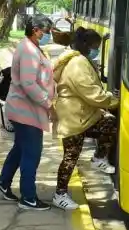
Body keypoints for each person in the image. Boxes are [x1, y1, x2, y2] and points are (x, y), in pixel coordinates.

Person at [0, 14, 55, 210]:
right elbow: (28, 83)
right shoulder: (28, 50)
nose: (49, 35)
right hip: (26, 110)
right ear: (36, 30)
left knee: (20, 148)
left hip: (26, 108)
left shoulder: (31, 46)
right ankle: (28, 197)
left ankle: (3, 183)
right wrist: (47, 102)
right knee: (32, 153)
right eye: (47, 32)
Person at [51, 28, 120, 210]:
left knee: (108, 122)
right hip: (73, 117)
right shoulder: (77, 64)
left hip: (81, 115)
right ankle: (60, 194)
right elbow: (91, 93)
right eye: (96, 47)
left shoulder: (79, 60)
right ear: (87, 45)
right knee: (71, 156)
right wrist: (113, 100)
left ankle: (99, 158)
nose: (97, 50)